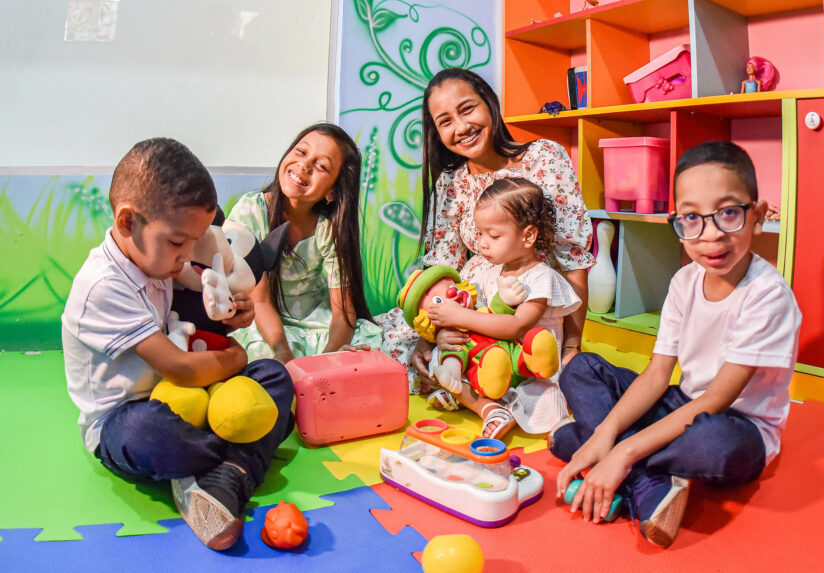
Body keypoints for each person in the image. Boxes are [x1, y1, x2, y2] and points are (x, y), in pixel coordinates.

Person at [550, 141, 801, 548]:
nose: (712, 234)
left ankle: (610, 462)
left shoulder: (768, 295)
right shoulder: (685, 281)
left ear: (756, 216)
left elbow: (716, 400)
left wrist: (620, 452)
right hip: (680, 402)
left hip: (737, 426)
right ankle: (641, 478)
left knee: (715, 445)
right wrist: (607, 435)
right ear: (678, 224)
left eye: (729, 213)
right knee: (581, 368)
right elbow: (656, 374)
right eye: (691, 218)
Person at [62, 137, 295, 551]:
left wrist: (234, 313)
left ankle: (220, 469)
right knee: (149, 434)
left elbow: (209, 303)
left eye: (196, 240)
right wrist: (238, 353)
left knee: (275, 376)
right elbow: (180, 369)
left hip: (196, 396)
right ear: (127, 223)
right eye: (177, 242)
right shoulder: (103, 286)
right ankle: (237, 465)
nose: (189, 254)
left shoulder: (158, 257)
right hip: (129, 414)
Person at [377, 67, 594, 396]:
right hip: (466, 303)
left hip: (527, 306)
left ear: (489, 104)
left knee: (519, 372)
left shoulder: (544, 158)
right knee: (382, 342)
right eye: (445, 121)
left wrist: (572, 347)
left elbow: (573, 257)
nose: (461, 127)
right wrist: (431, 333)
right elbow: (441, 268)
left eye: (467, 109)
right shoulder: (450, 182)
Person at [421, 177, 581, 438]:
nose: (482, 243)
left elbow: (515, 326)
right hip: (490, 361)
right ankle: (489, 409)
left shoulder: (541, 278)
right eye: (481, 233)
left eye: (493, 235)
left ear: (528, 235)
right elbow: (479, 320)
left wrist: (462, 315)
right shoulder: (487, 273)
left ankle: (487, 404)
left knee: (547, 403)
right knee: (443, 358)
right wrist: (447, 333)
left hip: (528, 372)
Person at [227, 123, 381, 363]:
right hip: (266, 327)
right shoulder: (252, 211)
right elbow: (260, 301)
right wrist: (282, 352)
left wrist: (328, 360)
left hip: (316, 328)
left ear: (332, 191)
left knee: (370, 346)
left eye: (321, 166)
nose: (305, 165)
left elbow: (342, 313)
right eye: (301, 152)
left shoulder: (328, 228)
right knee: (262, 358)